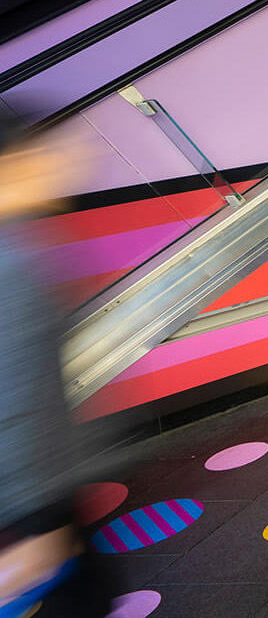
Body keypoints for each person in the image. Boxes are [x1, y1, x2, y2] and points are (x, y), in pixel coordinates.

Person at [0, 123, 114, 616]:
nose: (60, 166)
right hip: (30, 501)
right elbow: (16, 400)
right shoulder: (13, 264)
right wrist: (41, 523)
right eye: (40, 157)